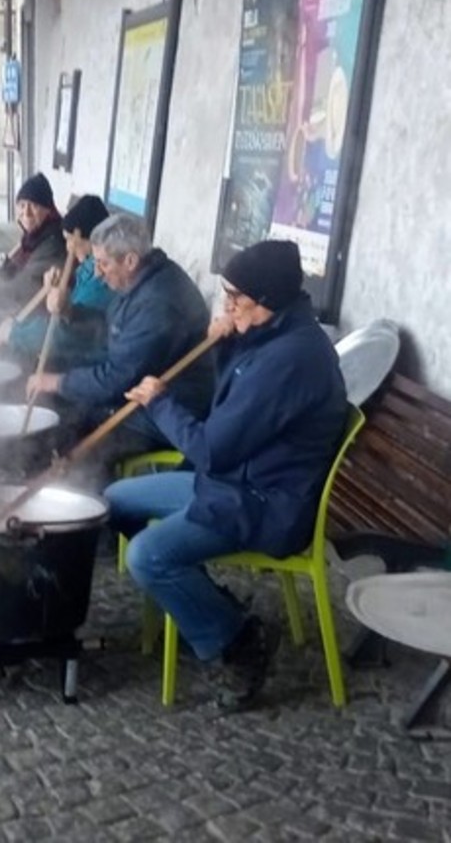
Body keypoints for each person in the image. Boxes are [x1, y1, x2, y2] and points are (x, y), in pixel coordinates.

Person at [103, 239, 348, 706]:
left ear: (269, 301)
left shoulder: (291, 359)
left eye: (238, 299)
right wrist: (226, 343)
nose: (229, 306)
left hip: (263, 503)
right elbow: (229, 404)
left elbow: (212, 449)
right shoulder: (270, 335)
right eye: (227, 295)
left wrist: (160, 404)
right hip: (231, 484)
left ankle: (238, 643)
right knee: (115, 499)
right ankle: (202, 601)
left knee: (147, 557)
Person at [26, 212, 215, 472]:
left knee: (75, 451)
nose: (97, 273)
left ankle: (100, 502)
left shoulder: (158, 303)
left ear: (129, 260)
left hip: (162, 414)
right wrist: (71, 311)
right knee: (61, 418)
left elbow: (117, 380)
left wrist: (56, 382)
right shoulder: (144, 280)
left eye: (103, 263)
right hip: (133, 396)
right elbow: (112, 329)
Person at [0, 194, 114, 371]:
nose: (68, 248)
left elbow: (69, 332)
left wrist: (17, 333)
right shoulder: (87, 266)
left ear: (93, 240)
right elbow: (66, 312)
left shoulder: (105, 283)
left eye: (71, 240)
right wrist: (56, 290)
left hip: (85, 365)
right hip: (71, 355)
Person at [0, 172, 66, 310]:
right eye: (22, 205)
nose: (26, 212)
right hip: (28, 305)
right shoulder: (33, 237)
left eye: (34, 205)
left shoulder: (54, 242)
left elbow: (27, 285)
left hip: (41, 312)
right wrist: (7, 268)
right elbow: (25, 274)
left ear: (48, 210)